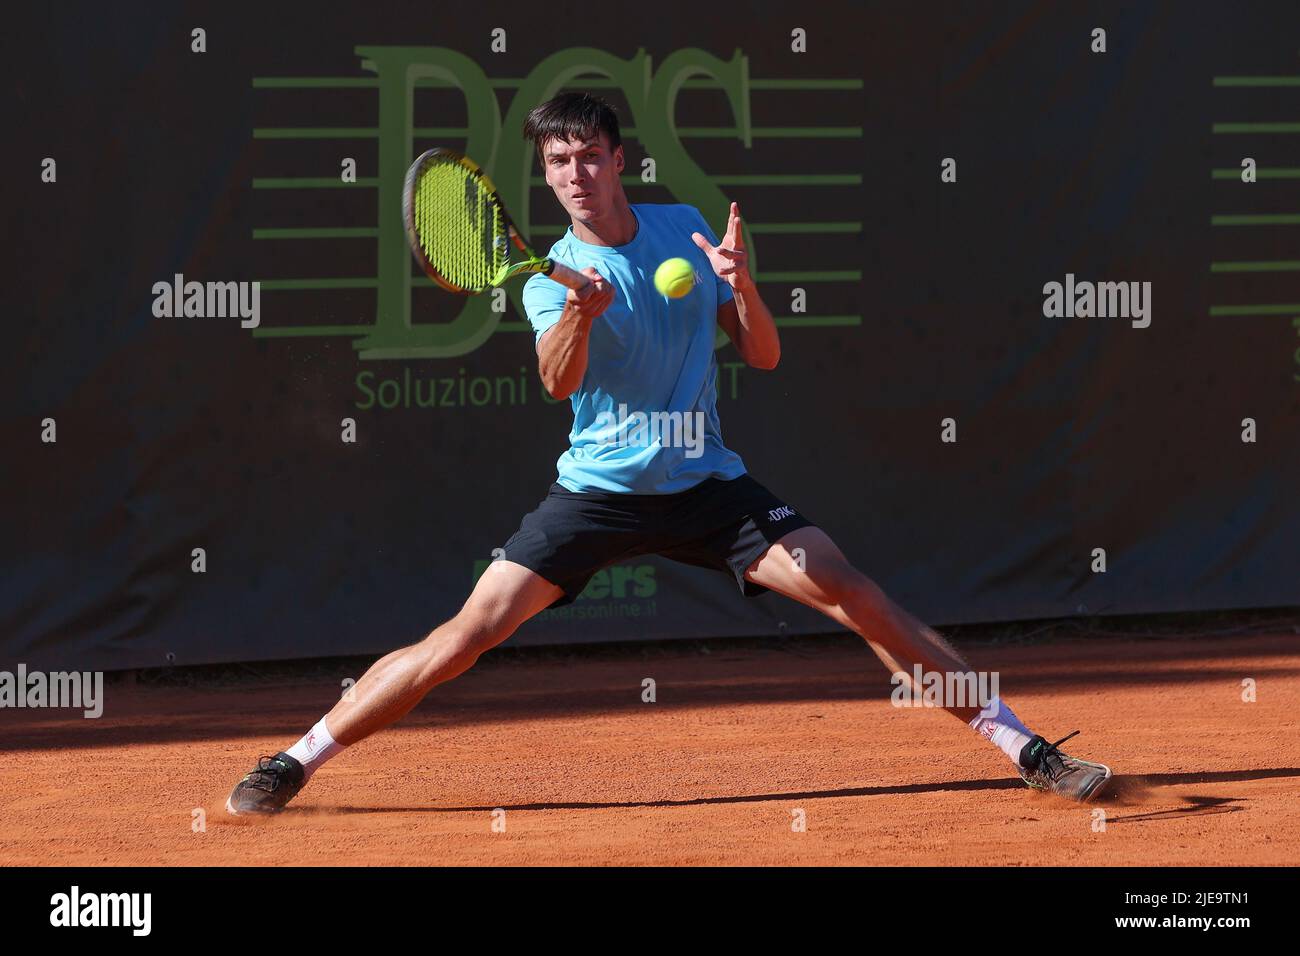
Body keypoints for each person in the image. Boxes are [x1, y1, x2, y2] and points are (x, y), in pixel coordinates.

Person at [226, 92, 1112, 815]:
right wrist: (578, 309)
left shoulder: (683, 225)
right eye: (557, 164)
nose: (574, 176)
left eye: (588, 157)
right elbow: (557, 383)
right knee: (465, 637)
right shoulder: (547, 276)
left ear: (618, 161)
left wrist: (744, 289)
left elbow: (760, 352)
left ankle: (1023, 745)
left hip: (706, 485)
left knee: (853, 590)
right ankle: (294, 761)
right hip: (598, 493)